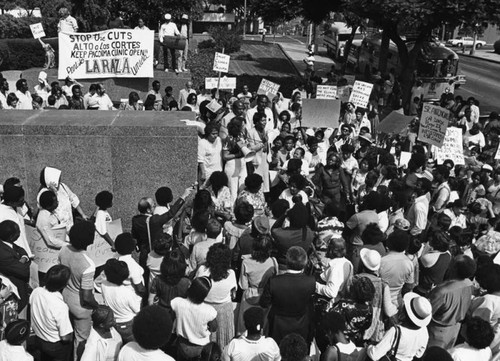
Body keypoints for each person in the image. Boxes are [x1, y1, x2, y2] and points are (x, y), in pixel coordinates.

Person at [58, 221, 99, 359]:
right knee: (81, 341)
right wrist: (97, 306)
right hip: (81, 307)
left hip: (65, 297)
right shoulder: (88, 264)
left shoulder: (64, 250)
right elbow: (87, 296)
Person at [260, 246, 316, 344]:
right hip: (301, 326)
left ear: (287, 261)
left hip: (277, 327)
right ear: (305, 262)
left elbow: (264, 303)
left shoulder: (274, 281)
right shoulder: (310, 281)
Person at [428, 255, 477, 349]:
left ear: (454, 268)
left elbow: (427, 312)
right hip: (455, 329)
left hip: (437, 332)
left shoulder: (442, 291)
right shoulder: (469, 284)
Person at [367, 292, 431, 361]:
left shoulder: (396, 331)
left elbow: (375, 355)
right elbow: (419, 354)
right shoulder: (424, 331)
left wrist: (369, 347)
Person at [196, 243, 237, 348]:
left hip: (204, 310)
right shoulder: (231, 273)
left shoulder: (202, 270)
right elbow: (234, 295)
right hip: (224, 313)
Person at [30, 265, 73, 361]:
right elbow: (65, 337)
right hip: (54, 346)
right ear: (64, 284)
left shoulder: (36, 292)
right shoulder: (60, 306)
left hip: (39, 339)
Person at [237, 236, 278, 334]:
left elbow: (243, 285)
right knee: (263, 325)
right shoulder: (273, 261)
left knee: (244, 325)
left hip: (249, 295)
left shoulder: (246, 262)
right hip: (266, 296)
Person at [171, 277, 218, 361]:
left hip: (183, 346)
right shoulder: (209, 311)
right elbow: (213, 328)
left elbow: (172, 318)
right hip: (201, 349)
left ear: (190, 287)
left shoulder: (177, 303)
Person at [101, 259, 141, 344]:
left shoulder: (103, 284)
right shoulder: (127, 292)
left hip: (114, 323)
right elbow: (137, 309)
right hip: (128, 324)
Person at [38, 166, 88, 230]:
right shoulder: (43, 193)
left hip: (69, 224)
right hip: (57, 228)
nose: (59, 181)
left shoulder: (62, 186)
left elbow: (73, 199)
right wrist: (53, 191)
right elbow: (43, 208)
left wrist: (82, 214)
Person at [0, 221, 31, 316]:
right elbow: (24, 271)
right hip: (13, 295)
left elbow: (21, 250)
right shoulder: (3, 253)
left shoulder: (7, 244)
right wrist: (25, 261)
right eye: (18, 232)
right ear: (11, 236)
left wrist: (24, 258)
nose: (19, 234)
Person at [271, 202, 315, 269]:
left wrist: (285, 214)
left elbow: (274, 229)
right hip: (301, 266)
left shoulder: (282, 235)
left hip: (283, 265)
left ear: (290, 218)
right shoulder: (310, 234)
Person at [379, 230, 414, 308]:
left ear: (389, 243)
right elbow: (409, 286)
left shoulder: (382, 261)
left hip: (380, 300)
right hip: (397, 302)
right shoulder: (409, 263)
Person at [149, 248, 191, 313]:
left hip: (162, 312)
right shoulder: (187, 282)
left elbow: (150, 300)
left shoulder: (157, 280)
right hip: (179, 312)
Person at [316, 238, 353, 304]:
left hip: (331, 304)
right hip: (343, 301)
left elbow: (331, 292)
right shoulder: (348, 263)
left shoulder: (335, 267)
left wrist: (315, 285)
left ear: (331, 250)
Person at [0, 185, 33, 258]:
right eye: (20, 201)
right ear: (12, 202)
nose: (23, 202)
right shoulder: (3, 214)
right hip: (13, 254)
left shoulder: (17, 208)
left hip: (24, 251)